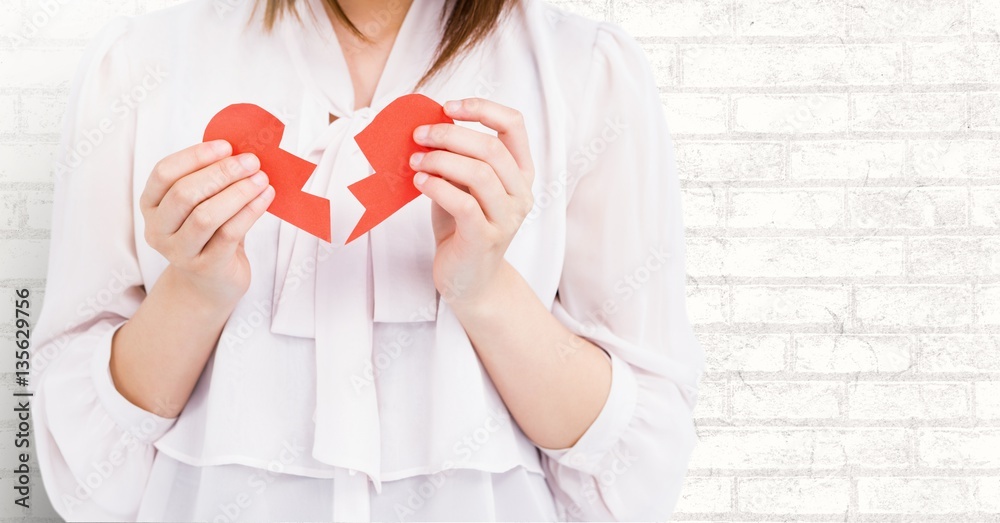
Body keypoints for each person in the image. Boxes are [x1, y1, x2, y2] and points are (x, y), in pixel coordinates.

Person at [29, 0, 705, 520]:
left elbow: (633, 476)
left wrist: (486, 288)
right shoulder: (143, 62)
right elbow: (87, 475)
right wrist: (195, 292)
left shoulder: (585, 72)